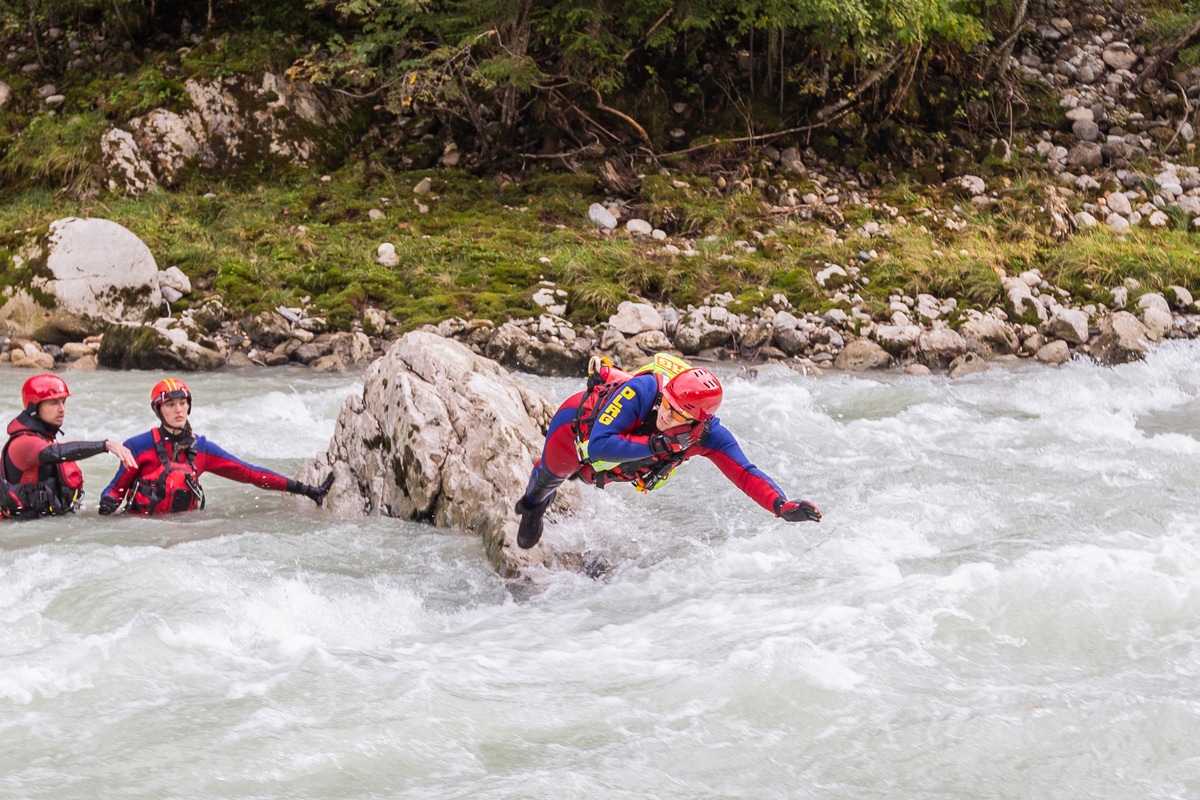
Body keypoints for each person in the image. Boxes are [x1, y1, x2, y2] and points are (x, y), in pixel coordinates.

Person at [514, 353, 822, 548]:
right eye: (667, 404)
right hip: (574, 432)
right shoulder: (644, 391)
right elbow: (599, 446)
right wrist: (656, 444)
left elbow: (745, 473)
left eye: (677, 414)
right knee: (550, 479)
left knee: (581, 477)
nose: (666, 414)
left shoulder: (708, 435)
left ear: (698, 421)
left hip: (610, 464)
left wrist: (780, 506)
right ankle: (532, 508)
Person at [98, 378, 333, 515]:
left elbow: (250, 473)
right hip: (141, 533)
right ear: (158, 410)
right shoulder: (137, 447)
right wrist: (106, 506)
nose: (178, 410)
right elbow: (114, 490)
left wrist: (307, 490)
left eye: (182, 403)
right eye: (170, 404)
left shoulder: (202, 449)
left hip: (184, 534)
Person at [1, 374, 138, 519]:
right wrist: (105, 445)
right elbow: (57, 453)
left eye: (63, 402)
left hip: (50, 522)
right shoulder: (23, 443)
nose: (61, 409)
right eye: (53, 403)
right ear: (34, 407)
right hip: (23, 526)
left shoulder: (44, 437)